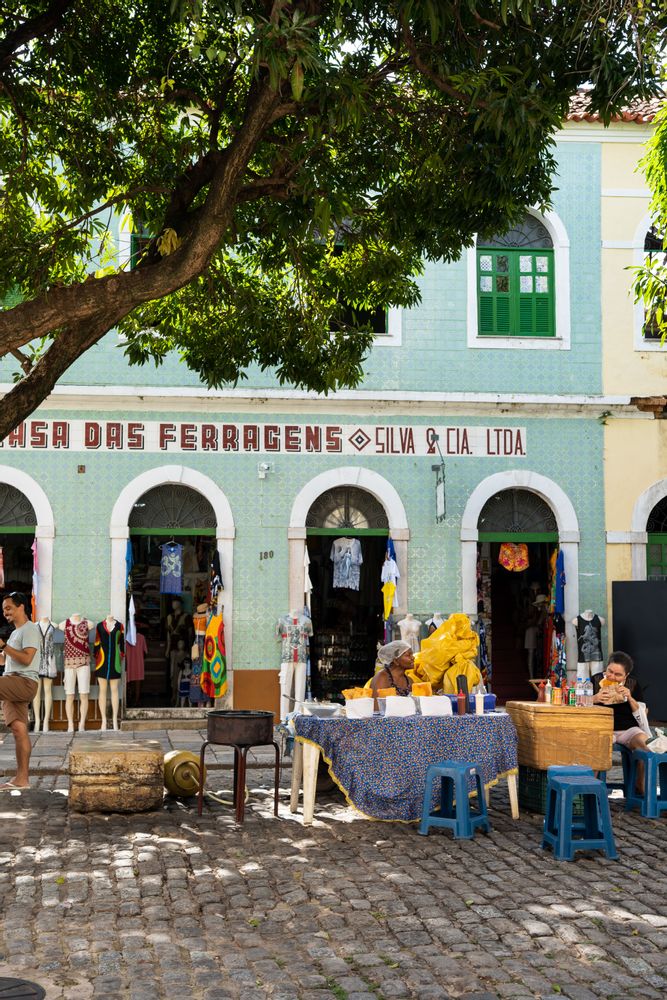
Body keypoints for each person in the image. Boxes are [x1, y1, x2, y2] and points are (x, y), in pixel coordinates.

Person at [0, 592, 41, 790]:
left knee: (19, 730)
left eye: (8, 608)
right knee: (18, 729)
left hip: (24, 682)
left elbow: (26, 659)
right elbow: (6, 660)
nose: (5, 612)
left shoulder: (30, 629)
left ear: (21, 607)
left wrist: (4, 646)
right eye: (3, 610)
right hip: (11, 683)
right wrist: (3, 651)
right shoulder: (15, 633)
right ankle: (22, 780)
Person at [592, 651, 649, 791]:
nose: (612, 677)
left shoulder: (633, 684)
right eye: (609, 671)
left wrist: (629, 698)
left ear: (626, 675)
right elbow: (578, 703)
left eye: (618, 675)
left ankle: (640, 789)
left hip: (628, 729)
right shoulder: (595, 680)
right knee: (597, 746)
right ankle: (591, 789)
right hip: (603, 728)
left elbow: (642, 712)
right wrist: (595, 698)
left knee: (643, 749)